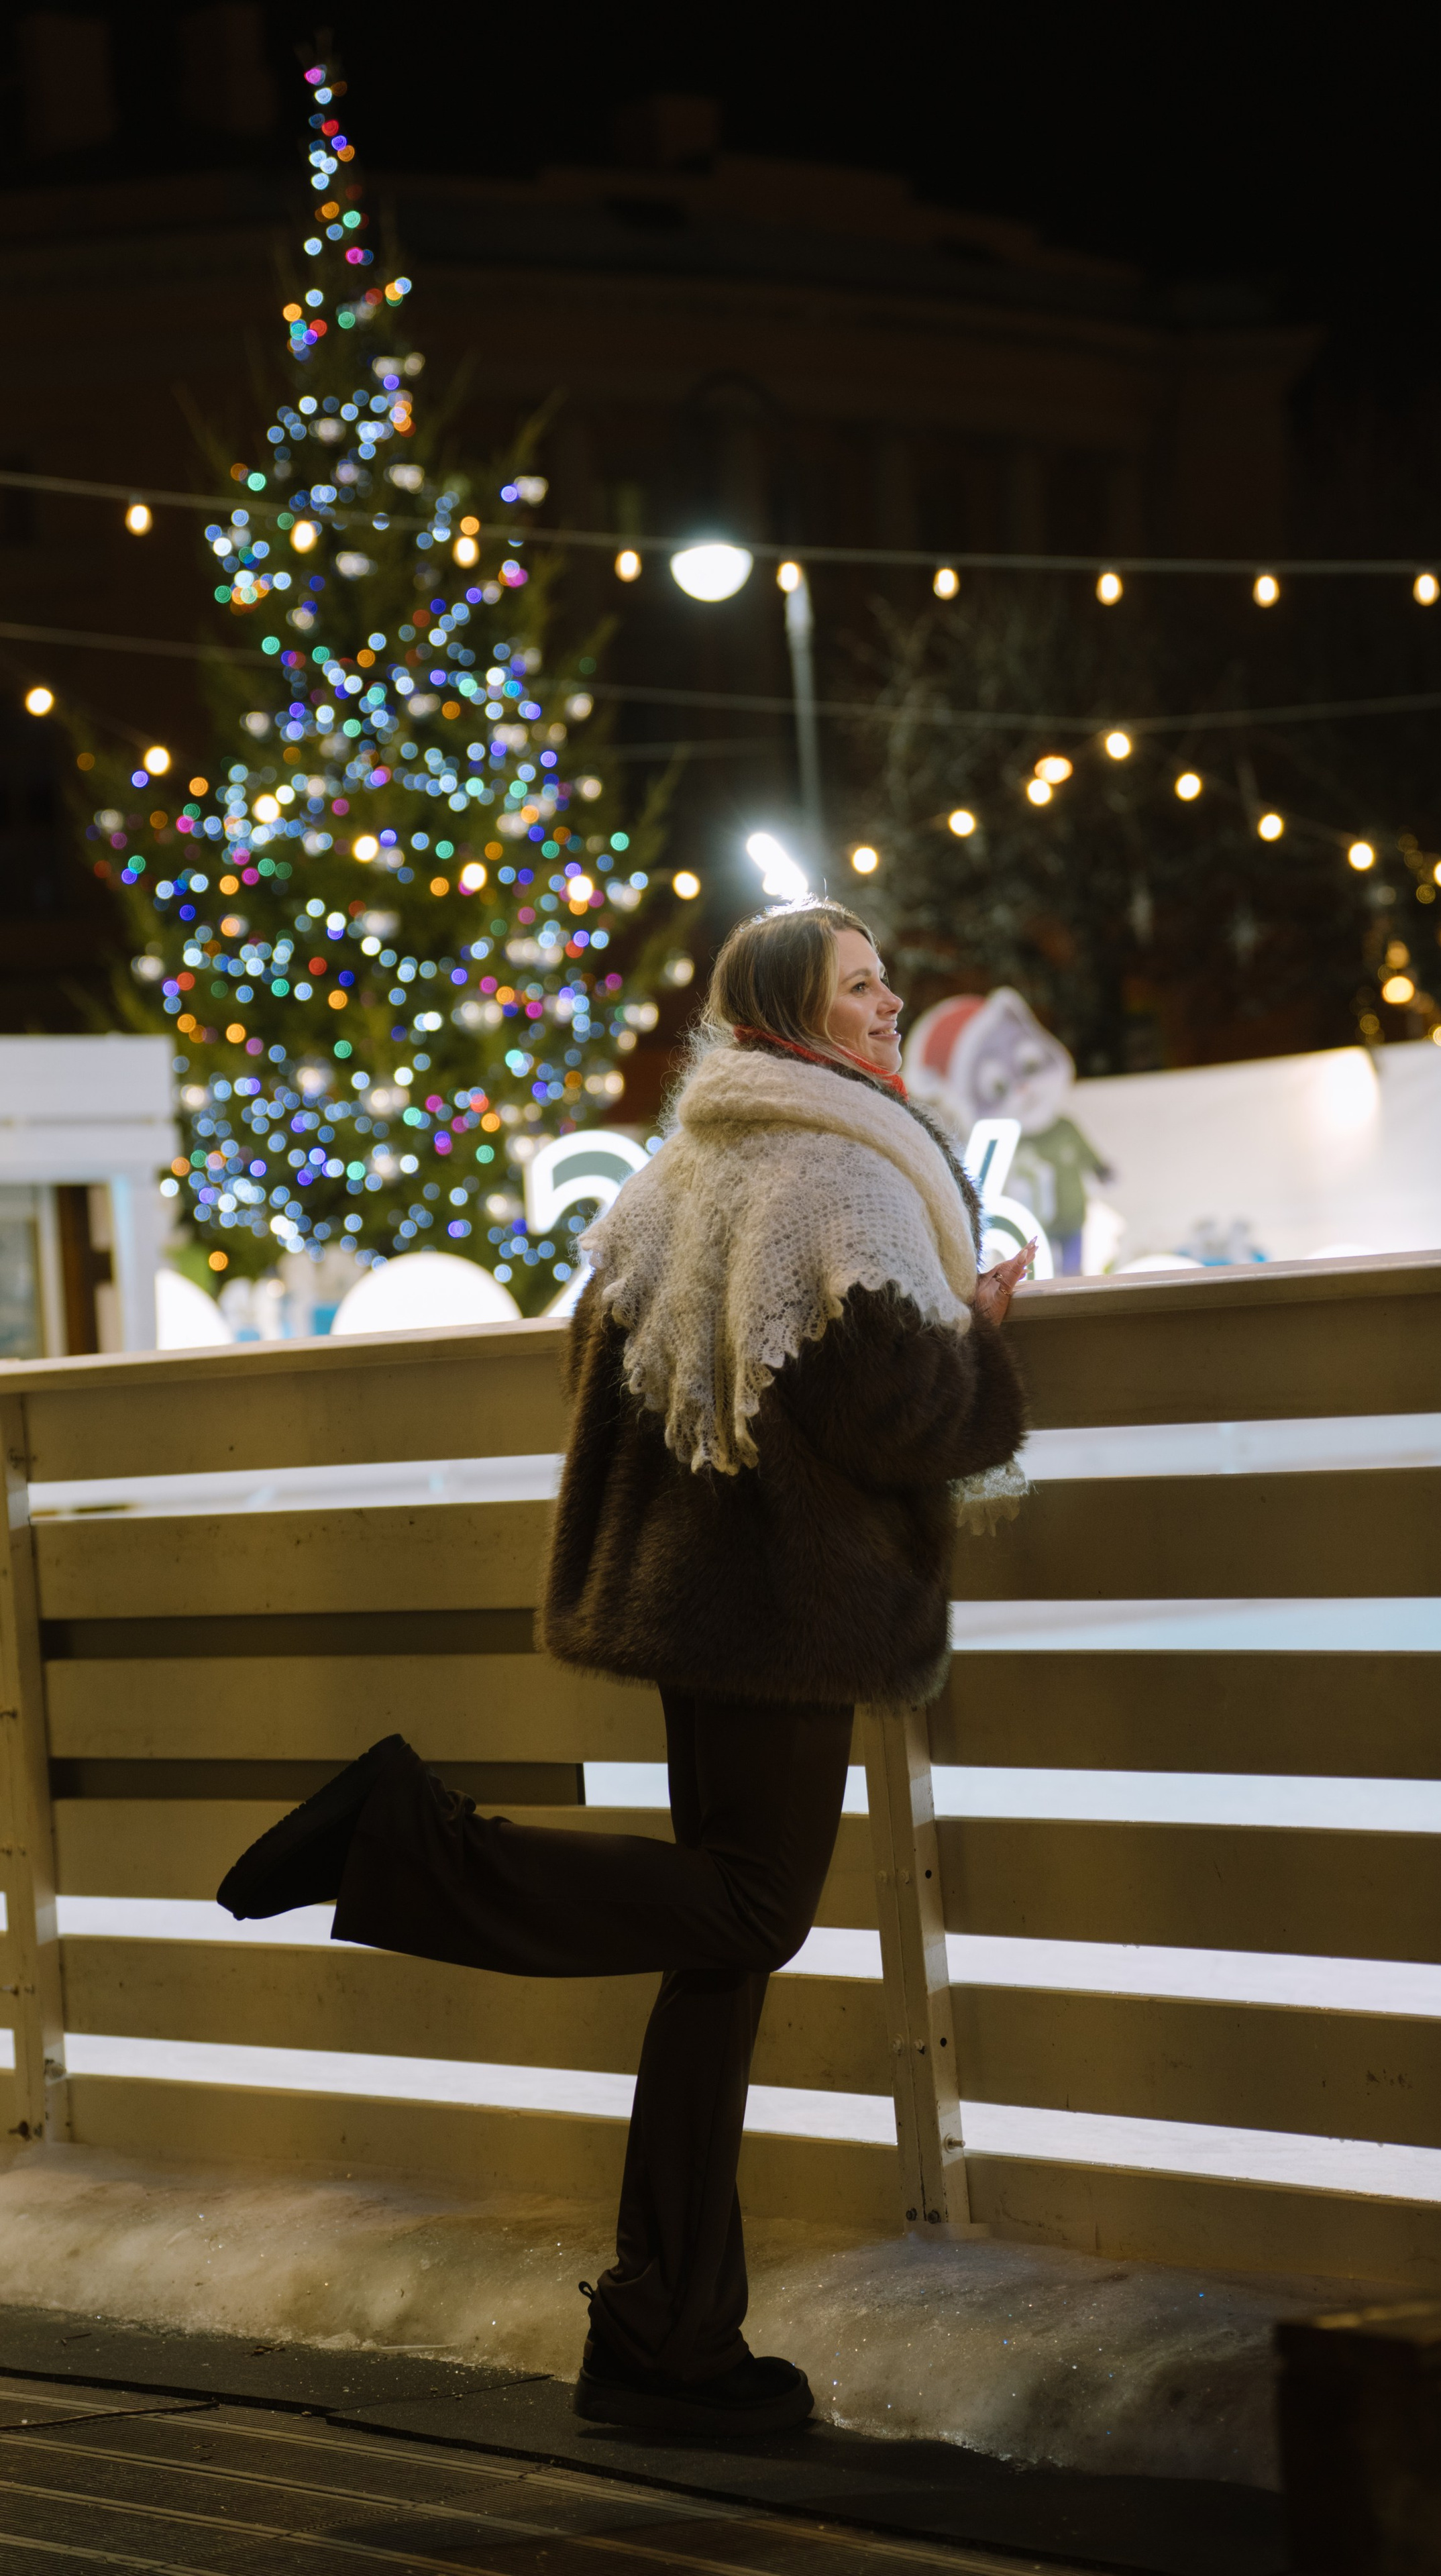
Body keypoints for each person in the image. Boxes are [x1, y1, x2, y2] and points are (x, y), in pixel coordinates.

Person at [216, 900, 1032, 2438]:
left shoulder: (683, 1166)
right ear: (793, 1013)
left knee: (714, 1953)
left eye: (884, 983)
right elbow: (894, 1414)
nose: (886, 1006)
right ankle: (408, 1844)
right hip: (777, 1609)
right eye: (860, 988)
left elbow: (618, 1372)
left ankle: (663, 2332)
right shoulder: (834, 1169)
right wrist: (981, 1345)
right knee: (750, 1907)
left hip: (693, 1599)